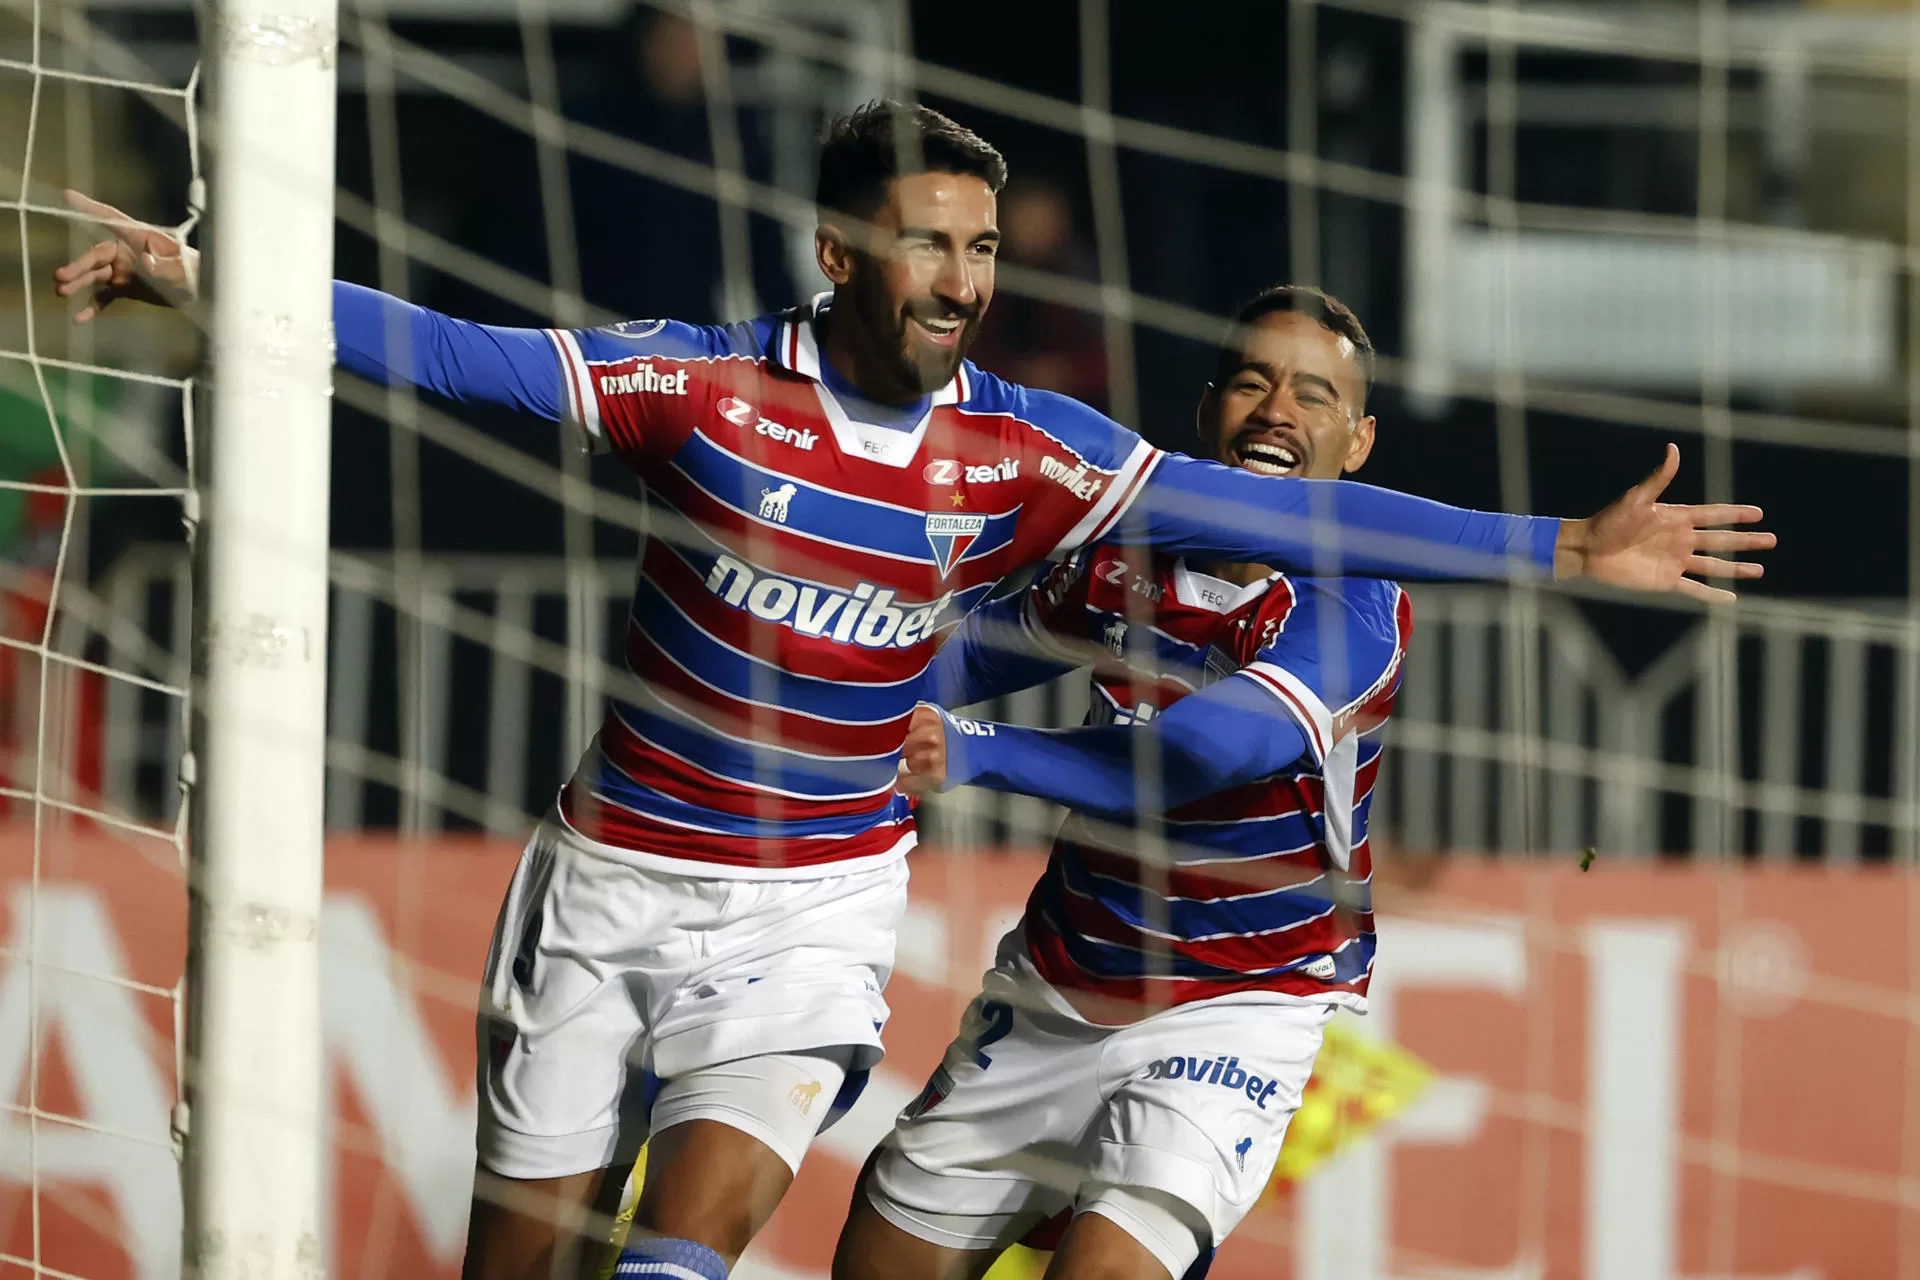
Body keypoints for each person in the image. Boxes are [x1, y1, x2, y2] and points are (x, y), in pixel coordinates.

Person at [54, 103, 1768, 1280]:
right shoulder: (707, 393)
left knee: (684, 1254)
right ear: (841, 245)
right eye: (933, 243)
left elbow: (1275, 558)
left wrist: (1555, 546)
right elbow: (459, 353)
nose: (967, 280)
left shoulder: (1040, 459)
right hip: (623, 876)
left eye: (986, 250)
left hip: (837, 902)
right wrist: (218, 281)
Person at [838, 286, 1454, 1280]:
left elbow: (1196, 759)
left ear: (1359, 440)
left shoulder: (1356, 604)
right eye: (1252, 382)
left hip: (1239, 1002)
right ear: (1209, 406)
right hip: (1056, 986)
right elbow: (950, 666)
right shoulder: (1123, 558)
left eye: (1313, 394)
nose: (1276, 410)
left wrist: (975, 750)